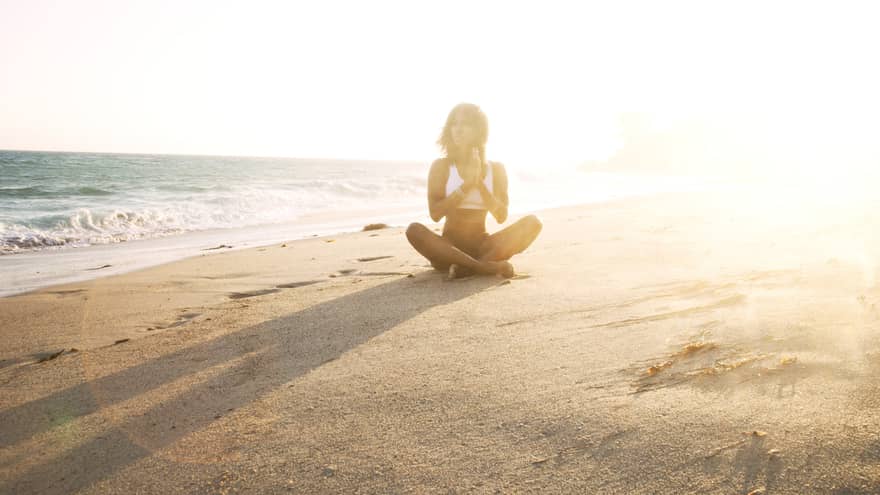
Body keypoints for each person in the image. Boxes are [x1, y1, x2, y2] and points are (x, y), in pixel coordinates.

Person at [406, 103, 542, 279]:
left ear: (479, 130)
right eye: (454, 124)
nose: (458, 130)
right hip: (448, 248)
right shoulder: (441, 166)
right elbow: (435, 213)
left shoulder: (496, 169)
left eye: (465, 124)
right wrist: (466, 185)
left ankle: (468, 267)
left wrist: (479, 183)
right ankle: (482, 267)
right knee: (413, 230)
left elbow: (501, 216)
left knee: (534, 223)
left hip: (485, 247)